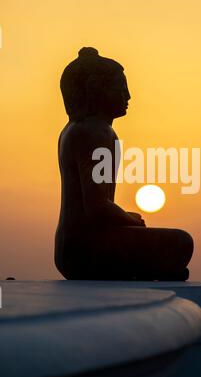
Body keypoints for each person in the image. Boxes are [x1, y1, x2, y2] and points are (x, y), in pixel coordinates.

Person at [54, 47, 193, 280]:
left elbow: (97, 205)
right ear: (96, 89)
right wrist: (129, 219)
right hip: (83, 250)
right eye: (120, 87)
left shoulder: (77, 130)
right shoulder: (94, 132)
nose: (127, 96)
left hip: (71, 247)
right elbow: (97, 208)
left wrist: (124, 216)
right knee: (181, 242)